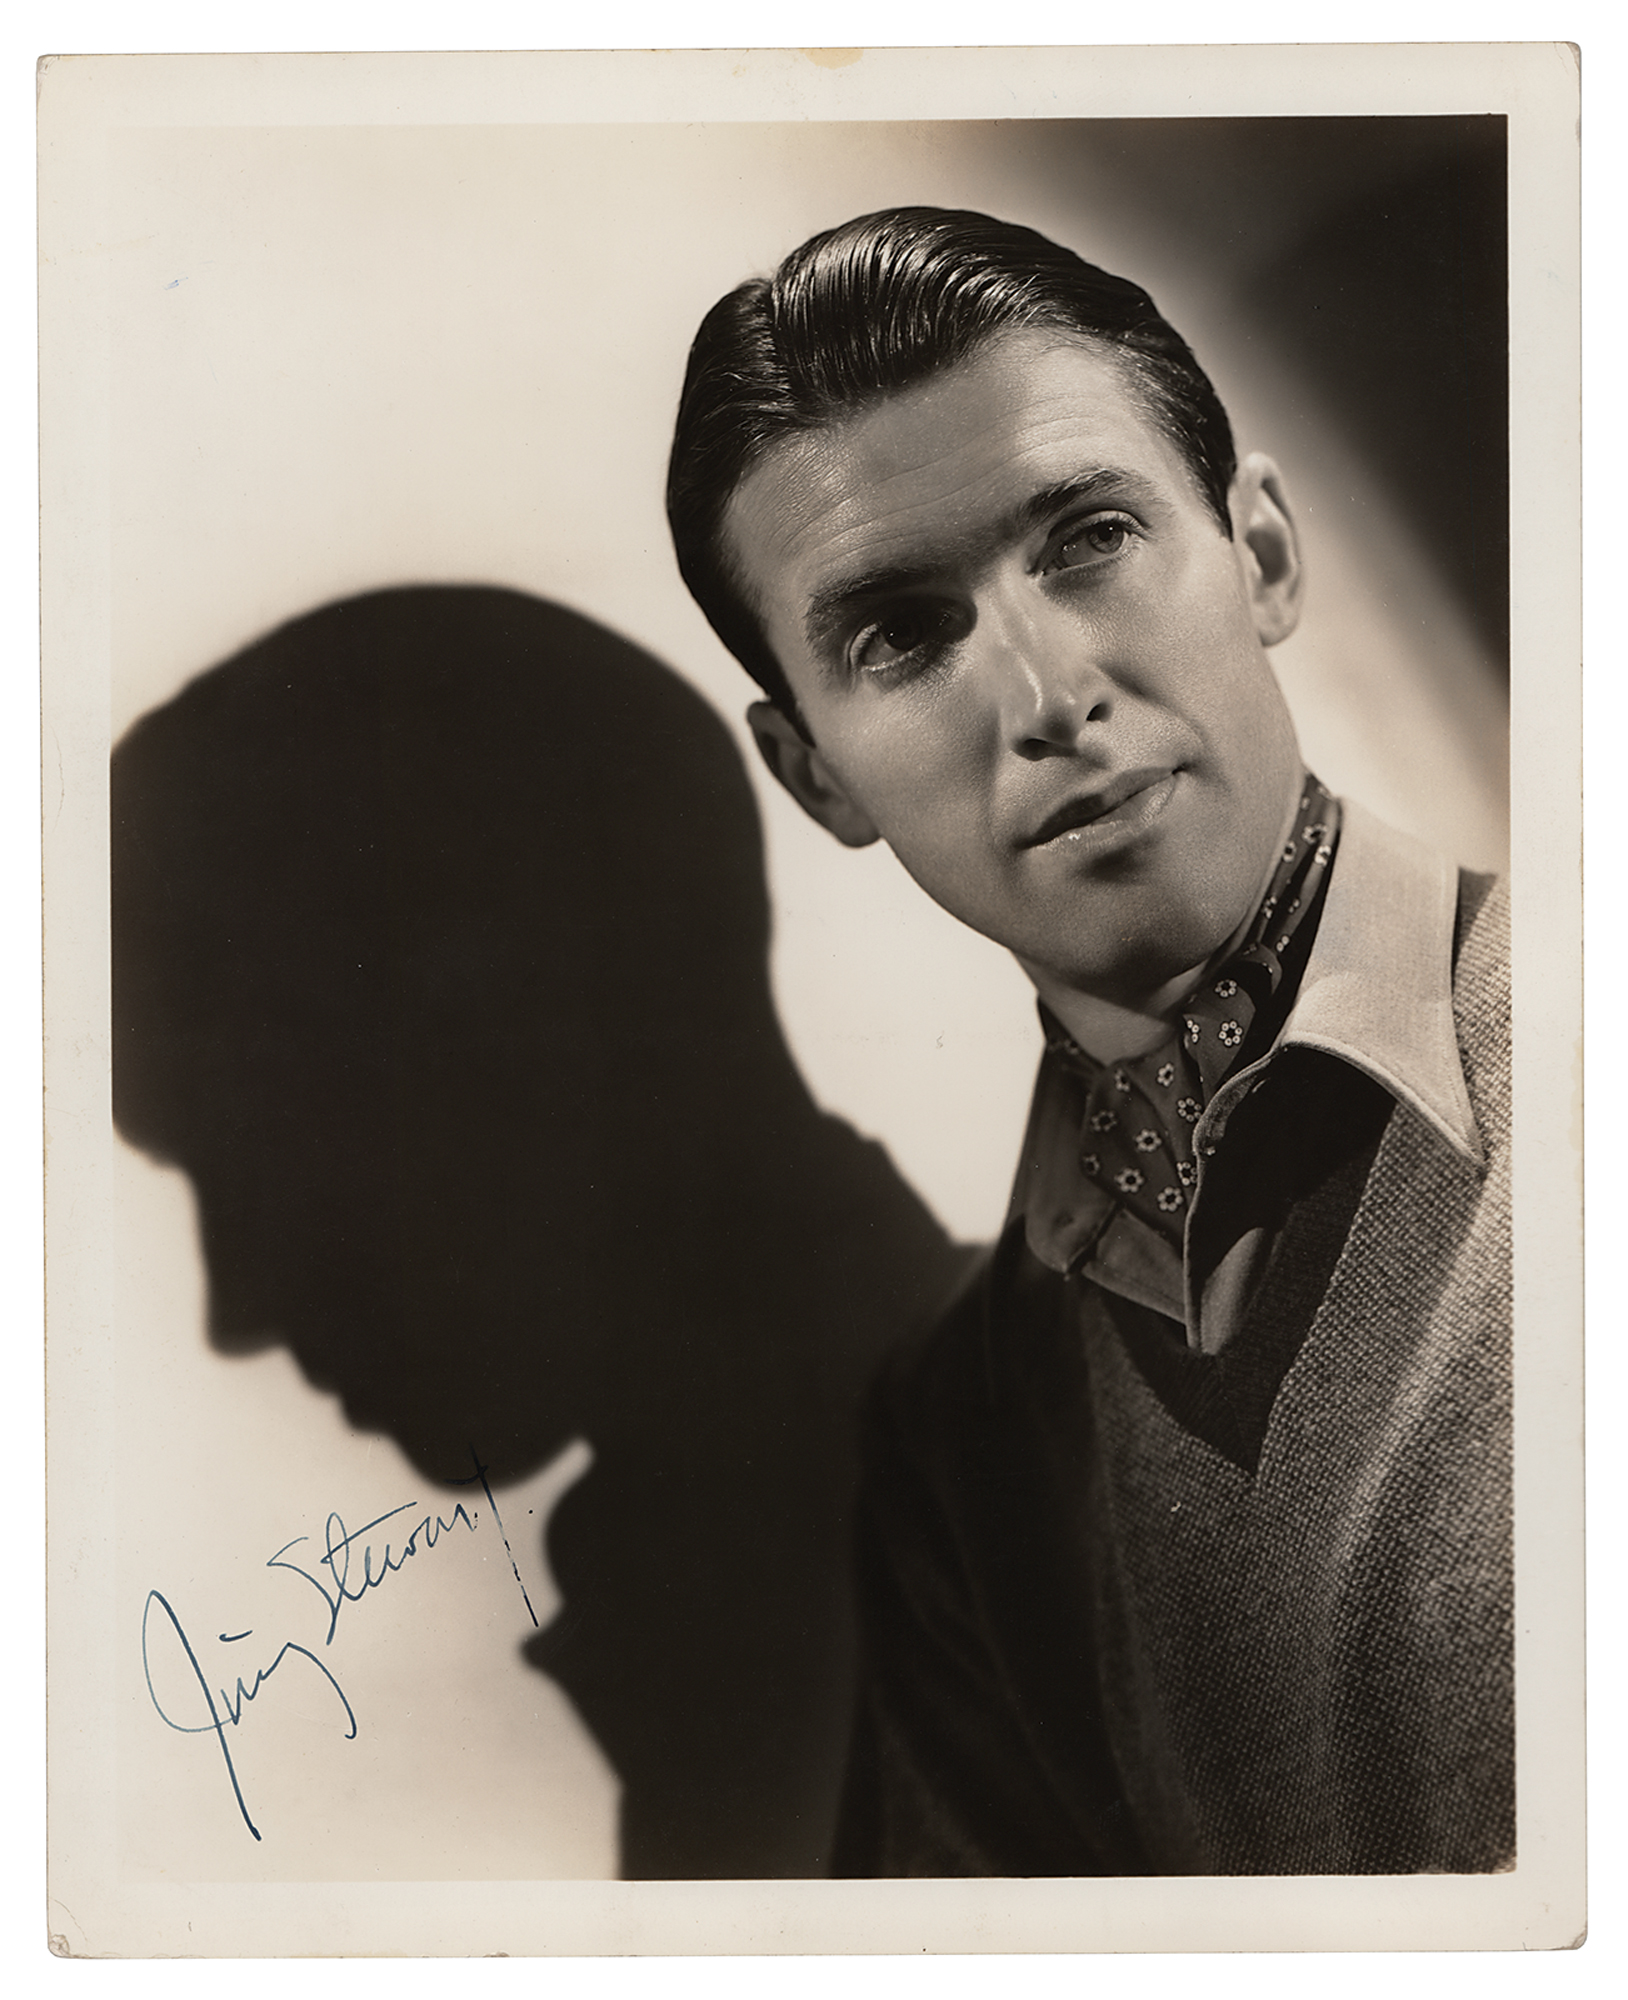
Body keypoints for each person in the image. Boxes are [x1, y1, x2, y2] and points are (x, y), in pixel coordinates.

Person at [665, 207, 1511, 1877]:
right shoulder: (963, 1450)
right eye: (902, 634)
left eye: (1090, 538)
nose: (1049, 694)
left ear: (1261, 555)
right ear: (817, 775)